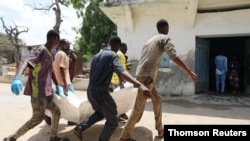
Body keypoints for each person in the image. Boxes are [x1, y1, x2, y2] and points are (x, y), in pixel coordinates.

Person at [119, 19, 198, 141]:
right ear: (166, 29)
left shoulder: (149, 40)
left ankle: (160, 129)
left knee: (157, 99)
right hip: (147, 78)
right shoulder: (165, 38)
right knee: (137, 110)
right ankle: (124, 137)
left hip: (144, 76)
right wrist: (189, 71)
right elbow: (173, 56)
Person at [72, 36, 151, 141]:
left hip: (90, 91)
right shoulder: (113, 55)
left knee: (100, 113)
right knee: (113, 120)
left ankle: (79, 128)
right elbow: (122, 72)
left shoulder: (97, 56)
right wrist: (140, 84)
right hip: (101, 92)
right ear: (117, 45)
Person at [4, 30, 68, 141]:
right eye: (58, 40)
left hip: (48, 91)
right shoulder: (41, 50)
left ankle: (53, 137)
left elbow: (51, 71)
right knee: (37, 118)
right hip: (38, 92)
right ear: (55, 39)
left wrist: (57, 85)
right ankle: (12, 138)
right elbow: (26, 62)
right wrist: (17, 77)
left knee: (56, 111)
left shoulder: (49, 53)